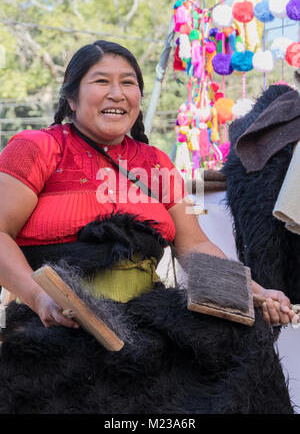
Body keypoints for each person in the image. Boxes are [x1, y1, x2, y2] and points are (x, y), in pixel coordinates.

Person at [0, 40, 295, 331]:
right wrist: (39, 297)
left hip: (143, 326)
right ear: (72, 99)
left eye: (128, 83)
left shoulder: (156, 163)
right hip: (50, 329)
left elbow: (193, 246)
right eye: (101, 81)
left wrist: (254, 291)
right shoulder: (38, 148)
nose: (117, 94)